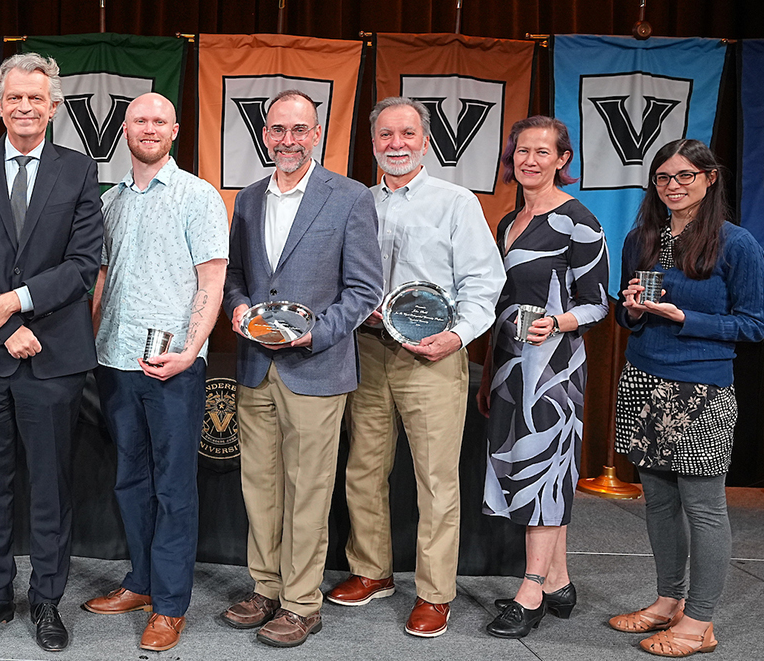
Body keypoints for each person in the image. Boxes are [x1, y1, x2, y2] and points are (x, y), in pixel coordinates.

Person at [0, 52, 104, 653]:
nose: (26, 107)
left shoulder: (79, 171)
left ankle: (47, 600)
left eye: (37, 98)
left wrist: (15, 302)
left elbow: (83, 264)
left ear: (54, 105)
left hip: (53, 354)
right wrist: (5, 325)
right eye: (15, 98)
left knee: (51, 484)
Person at [327, 98, 504, 637]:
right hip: (367, 348)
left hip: (435, 357)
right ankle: (371, 572)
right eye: (385, 135)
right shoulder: (357, 202)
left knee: (434, 480)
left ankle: (434, 593)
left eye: (406, 133)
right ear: (374, 142)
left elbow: (484, 282)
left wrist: (454, 337)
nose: (396, 143)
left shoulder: (456, 203)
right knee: (363, 469)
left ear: (424, 141)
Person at [219, 89, 383, 648]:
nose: (288, 139)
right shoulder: (246, 198)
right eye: (278, 130)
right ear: (266, 134)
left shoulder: (350, 197)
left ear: (316, 134)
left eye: (299, 129)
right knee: (259, 485)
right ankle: (265, 587)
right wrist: (237, 307)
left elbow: (365, 287)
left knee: (308, 489)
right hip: (256, 366)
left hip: (316, 366)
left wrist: (320, 333)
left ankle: (301, 602)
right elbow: (237, 274)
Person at [83, 93, 228, 653]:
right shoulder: (109, 202)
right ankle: (141, 583)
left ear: (175, 130)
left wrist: (191, 350)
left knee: (173, 487)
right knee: (129, 480)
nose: (149, 128)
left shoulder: (198, 196)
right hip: (114, 360)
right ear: (124, 130)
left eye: (159, 121)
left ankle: (170, 605)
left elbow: (211, 281)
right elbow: (99, 281)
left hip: (175, 367)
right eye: (139, 120)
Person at [609, 139, 764, 657]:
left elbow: (754, 324)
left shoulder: (735, 243)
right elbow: (626, 314)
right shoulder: (642, 237)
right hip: (642, 378)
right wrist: (632, 309)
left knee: (703, 507)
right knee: (657, 501)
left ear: (709, 177)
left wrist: (685, 318)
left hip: (701, 388)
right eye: (663, 178)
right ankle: (667, 601)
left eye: (684, 176)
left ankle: (700, 622)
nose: (672, 186)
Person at [478, 115, 610, 638]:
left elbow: (599, 304)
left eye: (542, 151)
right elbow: (500, 302)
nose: (529, 160)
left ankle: (530, 590)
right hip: (509, 362)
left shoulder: (580, 220)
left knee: (545, 472)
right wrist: (488, 372)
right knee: (523, 469)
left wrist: (559, 321)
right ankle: (558, 580)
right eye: (521, 151)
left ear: (562, 160)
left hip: (555, 369)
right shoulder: (507, 222)